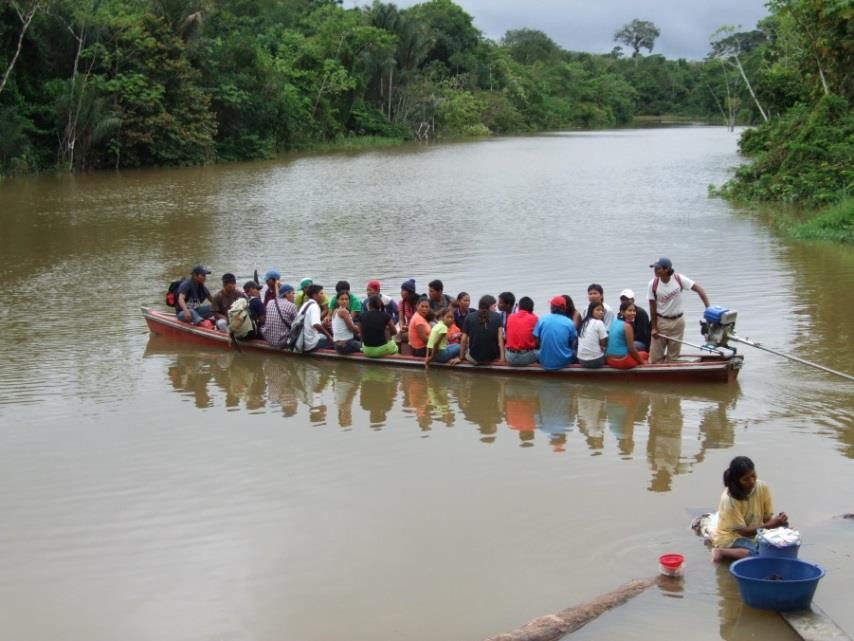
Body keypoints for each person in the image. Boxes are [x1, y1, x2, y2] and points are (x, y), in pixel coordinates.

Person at [712, 456, 788, 562]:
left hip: (754, 532)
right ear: (737, 481)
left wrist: (779, 521)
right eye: (746, 479)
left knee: (785, 532)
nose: (751, 481)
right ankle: (721, 551)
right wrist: (769, 525)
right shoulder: (730, 500)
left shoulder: (762, 487)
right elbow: (743, 532)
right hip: (732, 536)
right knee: (759, 555)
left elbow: (767, 518)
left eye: (753, 475)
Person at [647, 257, 710, 363]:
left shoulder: (678, 279)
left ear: (666, 269)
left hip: (678, 321)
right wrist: (654, 327)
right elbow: (652, 308)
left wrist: (708, 308)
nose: (655, 270)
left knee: (673, 358)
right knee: (655, 358)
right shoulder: (653, 284)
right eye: (655, 268)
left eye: (658, 268)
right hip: (661, 321)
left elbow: (699, 290)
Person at [533, 296, 578, 371]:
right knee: (575, 352)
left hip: (544, 362)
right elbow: (573, 341)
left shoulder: (542, 319)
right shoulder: (569, 322)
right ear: (564, 308)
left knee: (534, 352)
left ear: (552, 307)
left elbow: (535, 337)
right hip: (563, 362)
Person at [460, 294, 506, 365]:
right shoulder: (497, 317)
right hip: (492, 357)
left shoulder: (469, 317)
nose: (495, 309)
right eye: (494, 306)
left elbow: (463, 340)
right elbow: (500, 340)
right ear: (490, 306)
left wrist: (461, 357)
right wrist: (502, 359)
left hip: (474, 357)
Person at [605, 301, 648, 369]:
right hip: (623, 362)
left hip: (610, 360)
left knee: (639, 353)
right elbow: (631, 349)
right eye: (629, 310)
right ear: (622, 312)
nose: (633, 313)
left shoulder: (614, 323)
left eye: (634, 311)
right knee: (645, 354)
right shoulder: (627, 326)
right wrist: (643, 362)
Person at [505, 296, 539, 366]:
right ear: (532, 308)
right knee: (542, 352)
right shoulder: (534, 318)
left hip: (509, 357)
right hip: (525, 357)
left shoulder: (510, 317)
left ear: (519, 307)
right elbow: (538, 337)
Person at [300, 284, 334, 351]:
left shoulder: (305, 304)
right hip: (309, 343)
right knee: (334, 342)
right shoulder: (314, 306)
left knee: (322, 334)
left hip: (301, 340)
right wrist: (330, 337)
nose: (323, 295)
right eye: (321, 293)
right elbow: (316, 324)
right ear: (315, 295)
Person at [263, 283, 297, 347]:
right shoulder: (292, 306)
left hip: (268, 339)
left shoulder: (270, 302)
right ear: (287, 294)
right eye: (293, 293)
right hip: (282, 342)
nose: (294, 296)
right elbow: (296, 325)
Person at [577, 302, 609, 369]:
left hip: (581, 360)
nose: (601, 312)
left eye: (602, 310)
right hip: (596, 361)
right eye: (598, 310)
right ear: (591, 311)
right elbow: (604, 344)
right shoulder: (599, 323)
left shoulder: (583, 323)